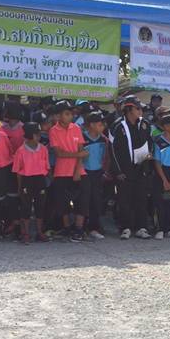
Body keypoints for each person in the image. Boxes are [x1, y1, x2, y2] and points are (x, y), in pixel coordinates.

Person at [110, 97, 152, 240]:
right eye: (137, 108)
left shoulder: (145, 124)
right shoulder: (117, 126)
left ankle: (141, 227)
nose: (141, 111)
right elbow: (112, 150)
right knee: (124, 200)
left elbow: (150, 142)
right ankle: (125, 228)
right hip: (124, 169)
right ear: (128, 109)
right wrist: (118, 171)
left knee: (141, 199)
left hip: (141, 167)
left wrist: (149, 154)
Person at [48, 99, 89, 242]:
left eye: (71, 113)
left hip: (79, 171)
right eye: (66, 113)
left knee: (81, 201)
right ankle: (66, 228)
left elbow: (81, 149)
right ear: (58, 115)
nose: (70, 116)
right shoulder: (53, 131)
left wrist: (77, 169)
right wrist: (79, 155)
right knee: (62, 202)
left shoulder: (76, 128)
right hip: (61, 172)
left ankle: (78, 229)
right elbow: (59, 153)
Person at [12, 122, 51, 243]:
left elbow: (47, 167)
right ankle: (26, 233)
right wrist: (19, 186)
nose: (39, 137)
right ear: (31, 135)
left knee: (40, 206)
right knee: (26, 206)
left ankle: (39, 232)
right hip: (26, 180)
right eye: (37, 134)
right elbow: (18, 171)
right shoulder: (21, 151)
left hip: (40, 179)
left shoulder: (43, 149)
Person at [81, 111, 108, 240]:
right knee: (84, 200)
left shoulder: (104, 139)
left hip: (98, 172)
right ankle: (82, 227)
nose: (103, 127)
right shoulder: (82, 138)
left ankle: (94, 227)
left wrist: (104, 170)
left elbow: (106, 157)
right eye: (100, 124)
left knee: (96, 200)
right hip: (85, 172)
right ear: (91, 125)